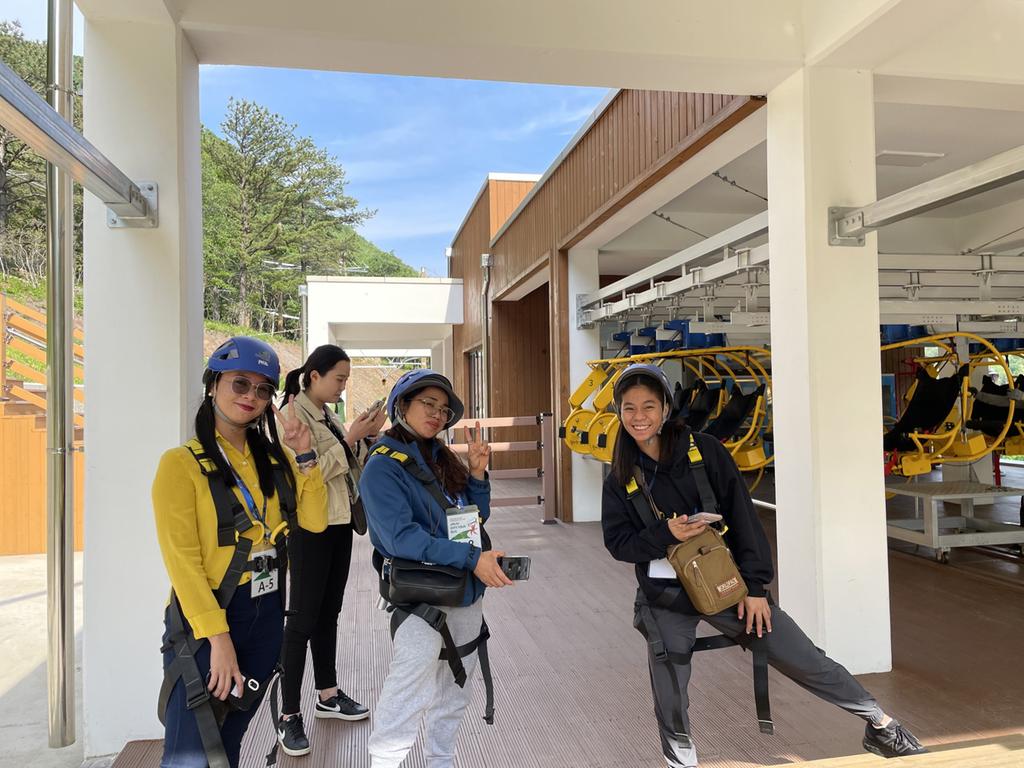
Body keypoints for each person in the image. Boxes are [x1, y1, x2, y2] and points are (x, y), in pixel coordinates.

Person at [601, 363, 928, 768]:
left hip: (728, 585)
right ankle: (681, 762)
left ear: (666, 408)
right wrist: (665, 533)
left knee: (800, 654)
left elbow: (744, 520)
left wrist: (756, 589)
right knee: (669, 684)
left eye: (648, 406)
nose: (639, 417)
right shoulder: (620, 476)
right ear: (619, 413)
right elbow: (619, 544)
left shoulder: (705, 451)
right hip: (664, 596)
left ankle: (880, 724)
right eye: (629, 408)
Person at [153, 336, 328, 768]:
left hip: (265, 613)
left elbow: (314, 522)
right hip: (210, 618)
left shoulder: (274, 461)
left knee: (229, 739)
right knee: (191, 753)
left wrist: (305, 455)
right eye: (240, 383)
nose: (251, 396)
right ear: (214, 384)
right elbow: (183, 564)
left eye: (263, 389)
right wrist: (218, 640)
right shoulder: (181, 465)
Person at [359, 369, 512, 768]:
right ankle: (384, 762)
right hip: (420, 597)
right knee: (408, 687)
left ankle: (441, 759)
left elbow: (473, 519)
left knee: (457, 686)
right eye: (428, 403)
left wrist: (476, 473)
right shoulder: (382, 467)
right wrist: (471, 559)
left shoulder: (440, 458)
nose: (437, 414)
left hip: (463, 590)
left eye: (443, 409)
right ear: (402, 406)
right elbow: (401, 539)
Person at [275, 344, 387, 756]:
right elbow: (308, 474)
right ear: (314, 376)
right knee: (301, 619)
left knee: (328, 614)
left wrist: (363, 438)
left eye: (346, 379)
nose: (343, 386)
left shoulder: (329, 415)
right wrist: (349, 439)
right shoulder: (292, 417)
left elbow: (347, 468)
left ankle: (328, 694)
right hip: (309, 527)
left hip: (339, 523)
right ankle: (288, 714)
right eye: (339, 378)